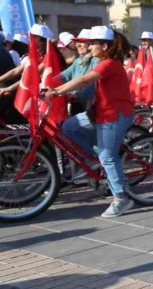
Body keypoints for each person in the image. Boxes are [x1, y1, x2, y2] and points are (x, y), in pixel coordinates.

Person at [50, 27, 135, 218]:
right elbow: (72, 76)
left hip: (114, 114)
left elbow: (84, 79)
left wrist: (57, 92)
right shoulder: (100, 60)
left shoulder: (109, 64)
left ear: (104, 46)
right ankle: (98, 157)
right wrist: (51, 87)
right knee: (68, 127)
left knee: (107, 156)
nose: (89, 46)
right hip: (99, 112)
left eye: (93, 43)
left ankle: (121, 199)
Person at [59, 29, 98, 116]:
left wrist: (77, 95)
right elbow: (64, 76)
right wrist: (47, 81)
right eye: (77, 42)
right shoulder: (78, 61)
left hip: (89, 105)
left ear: (91, 44)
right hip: (76, 102)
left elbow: (93, 83)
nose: (79, 45)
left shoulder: (96, 60)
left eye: (82, 42)